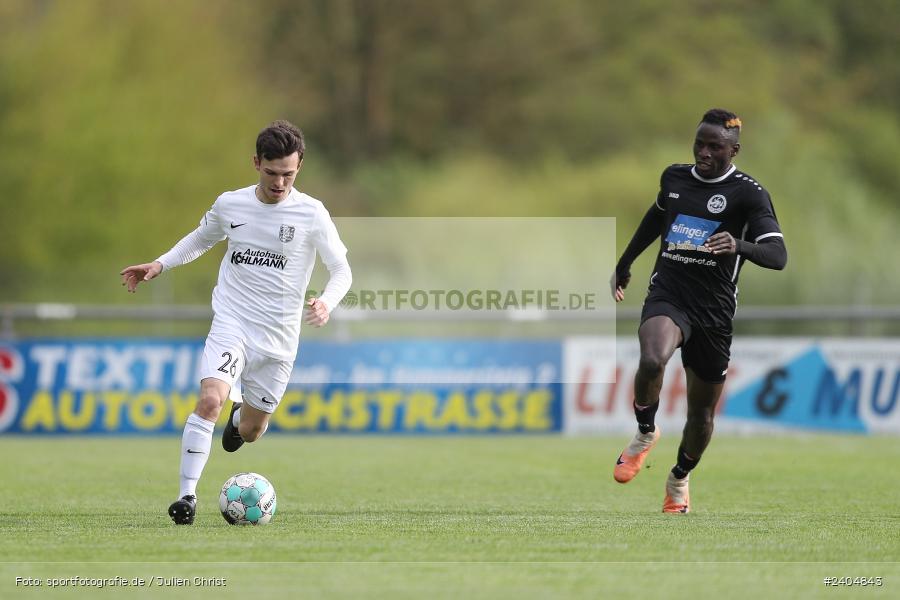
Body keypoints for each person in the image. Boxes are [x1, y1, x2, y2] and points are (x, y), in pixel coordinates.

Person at [120, 120, 351, 524]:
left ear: (299, 168)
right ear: (256, 163)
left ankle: (237, 419)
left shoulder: (312, 213)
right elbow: (199, 239)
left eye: (289, 174)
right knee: (210, 399)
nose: (280, 183)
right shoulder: (231, 205)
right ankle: (186, 498)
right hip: (233, 323)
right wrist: (160, 264)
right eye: (271, 172)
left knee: (251, 432)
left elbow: (341, 270)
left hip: (278, 341)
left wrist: (327, 303)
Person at [610, 109, 786, 513]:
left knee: (701, 415)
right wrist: (625, 261)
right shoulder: (674, 178)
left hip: (714, 312)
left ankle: (679, 477)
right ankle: (644, 432)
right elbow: (657, 217)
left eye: (714, 147)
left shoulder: (749, 193)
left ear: (734, 150)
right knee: (653, 358)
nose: (704, 153)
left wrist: (739, 245)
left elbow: (778, 256)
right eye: (699, 144)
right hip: (668, 292)